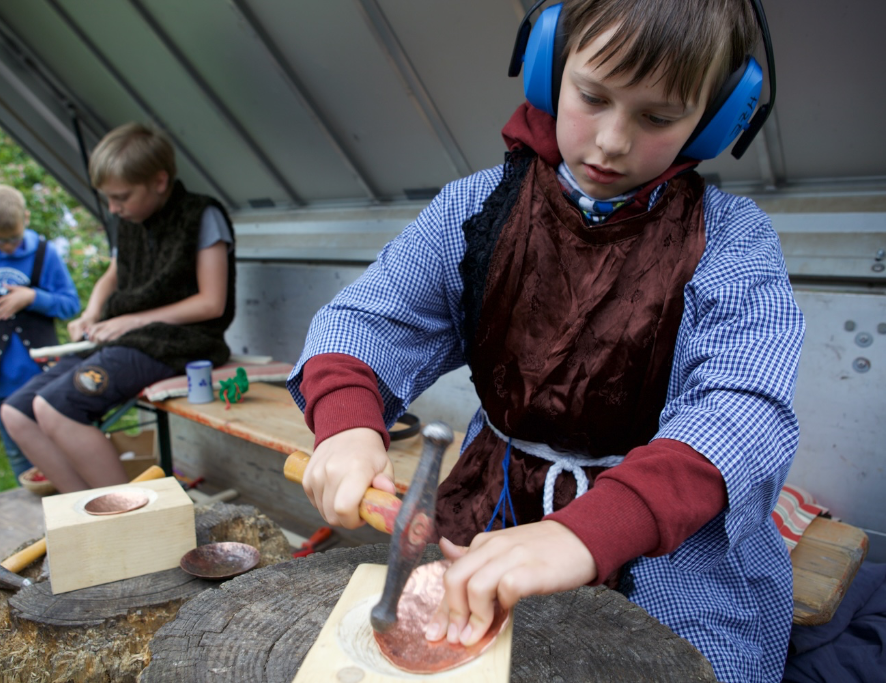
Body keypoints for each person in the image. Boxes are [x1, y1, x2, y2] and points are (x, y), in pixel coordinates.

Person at [287, 1, 805, 681]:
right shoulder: (475, 210)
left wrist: (591, 531)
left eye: (658, 116)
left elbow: (744, 412)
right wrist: (348, 423)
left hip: (664, 543)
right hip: (493, 502)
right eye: (592, 96)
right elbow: (368, 321)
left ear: (714, 118)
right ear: (548, 69)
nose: (612, 141)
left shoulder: (735, 242)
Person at [0, 122, 236, 493]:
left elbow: (212, 303)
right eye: (108, 198)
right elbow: (113, 273)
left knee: (56, 408)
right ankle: (87, 511)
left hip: (181, 341)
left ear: (159, 181)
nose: (113, 208)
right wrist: (92, 313)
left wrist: (131, 321)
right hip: (124, 336)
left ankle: (129, 517)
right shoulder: (130, 219)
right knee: (17, 412)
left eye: (121, 197)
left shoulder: (201, 214)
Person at [0, 184, 81, 481]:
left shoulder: (46, 254)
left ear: (26, 217)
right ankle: (35, 509)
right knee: (16, 450)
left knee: (56, 443)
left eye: (14, 238)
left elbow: (70, 304)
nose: (9, 246)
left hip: (44, 375)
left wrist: (33, 297)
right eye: (0, 240)